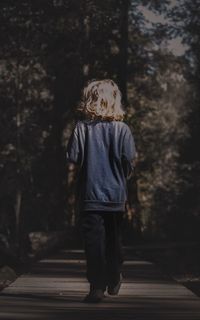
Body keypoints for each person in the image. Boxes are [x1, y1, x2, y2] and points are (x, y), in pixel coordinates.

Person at [66, 79, 136, 303]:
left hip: (90, 196)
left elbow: (73, 157)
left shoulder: (81, 128)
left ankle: (97, 286)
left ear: (90, 101)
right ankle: (114, 274)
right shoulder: (123, 130)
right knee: (113, 239)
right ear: (115, 101)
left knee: (93, 242)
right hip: (115, 196)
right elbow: (128, 162)